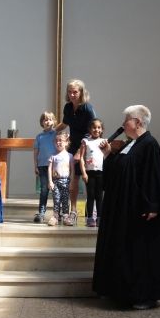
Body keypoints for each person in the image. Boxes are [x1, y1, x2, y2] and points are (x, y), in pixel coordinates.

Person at [92, 105, 160, 310]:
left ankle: (145, 296)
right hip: (124, 210)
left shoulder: (150, 145)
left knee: (141, 254)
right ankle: (120, 291)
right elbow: (120, 173)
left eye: (126, 119)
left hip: (140, 211)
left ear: (138, 122)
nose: (122, 124)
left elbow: (155, 177)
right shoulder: (132, 145)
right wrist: (108, 154)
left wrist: (153, 205)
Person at [55, 79, 96, 224]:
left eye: (75, 92)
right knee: (73, 179)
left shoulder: (87, 108)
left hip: (87, 146)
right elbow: (65, 123)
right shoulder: (68, 107)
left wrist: (80, 151)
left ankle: (92, 212)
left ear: (81, 92)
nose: (72, 95)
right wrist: (51, 132)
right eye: (70, 92)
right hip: (73, 146)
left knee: (87, 179)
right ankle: (73, 211)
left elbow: (92, 131)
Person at [79, 118, 105, 227]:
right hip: (90, 173)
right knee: (91, 195)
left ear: (102, 129)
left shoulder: (104, 142)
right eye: (94, 127)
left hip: (101, 173)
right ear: (90, 129)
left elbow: (107, 156)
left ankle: (99, 217)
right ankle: (90, 218)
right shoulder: (86, 141)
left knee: (99, 196)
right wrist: (84, 173)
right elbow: (81, 158)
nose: (96, 130)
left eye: (99, 127)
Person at [33, 111, 57, 223]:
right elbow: (36, 152)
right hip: (42, 166)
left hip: (55, 166)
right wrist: (35, 165)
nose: (48, 122)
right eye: (46, 120)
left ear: (54, 122)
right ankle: (41, 213)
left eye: (50, 119)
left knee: (57, 190)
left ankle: (57, 213)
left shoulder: (56, 134)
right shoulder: (39, 137)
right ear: (42, 122)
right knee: (44, 190)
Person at [47, 132, 75, 226]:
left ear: (66, 142)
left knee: (65, 200)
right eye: (56, 141)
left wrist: (71, 182)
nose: (58, 142)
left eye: (60, 140)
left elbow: (72, 170)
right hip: (56, 182)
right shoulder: (53, 156)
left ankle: (66, 216)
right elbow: (49, 169)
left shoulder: (70, 156)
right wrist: (50, 181)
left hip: (66, 182)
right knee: (56, 200)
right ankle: (55, 216)